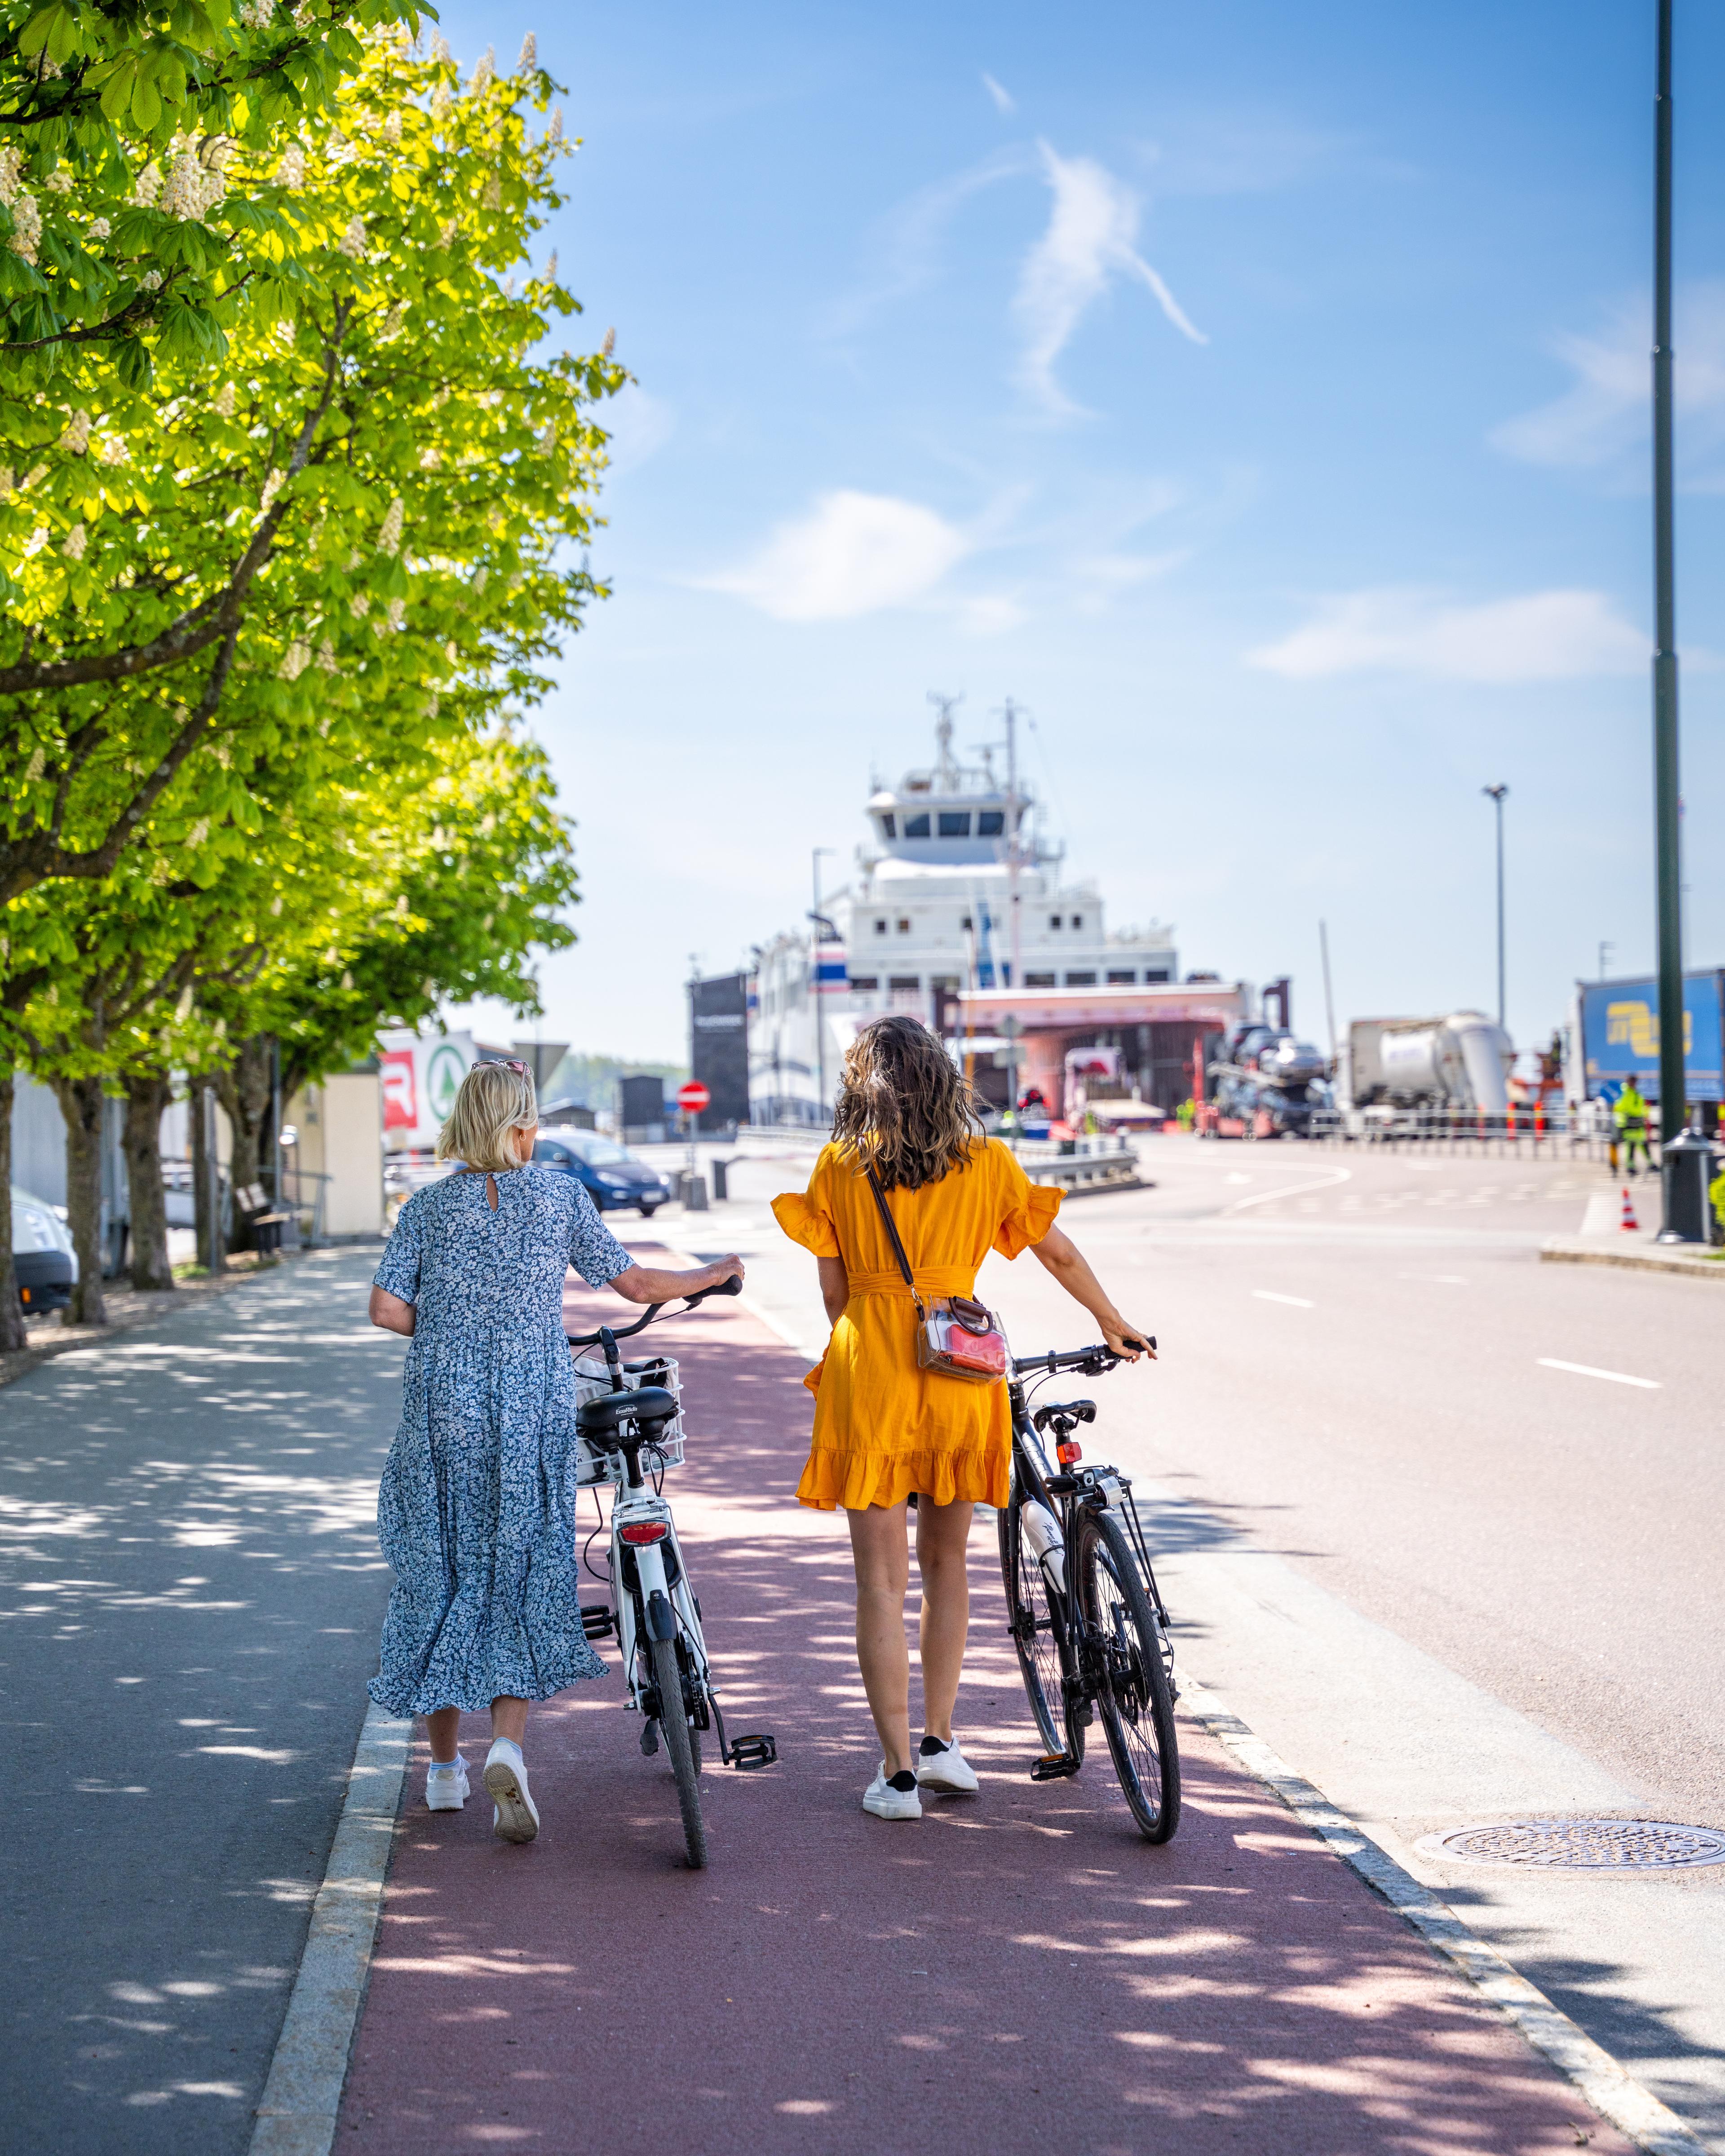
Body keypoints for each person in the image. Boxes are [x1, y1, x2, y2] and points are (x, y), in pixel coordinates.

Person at [772, 1015, 1152, 1823]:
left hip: (869, 1368)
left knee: (878, 1580)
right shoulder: (986, 1162)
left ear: (861, 1085)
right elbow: (1056, 1253)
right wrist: (1110, 1319)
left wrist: (873, 1324)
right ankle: (944, 1742)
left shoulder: (841, 1165)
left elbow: (836, 1298)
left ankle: (898, 1774)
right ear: (943, 1080)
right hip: (960, 1367)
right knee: (949, 1565)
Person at [367, 1057, 742, 1842]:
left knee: (441, 1571)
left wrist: (448, 1332)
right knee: (524, 1569)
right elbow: (634, 1286)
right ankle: (508, 1745)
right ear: (521, 1126)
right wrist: (714, 1272)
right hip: (529, 1413)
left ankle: (443, 1774)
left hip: (443, 1414)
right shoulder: (560, 1196)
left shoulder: (426, 1210)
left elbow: (385, 1309)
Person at [1614, 1078, 1651, 1175]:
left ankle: (1650, 1163)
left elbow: (1641, 1107)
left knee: (1643, 1143)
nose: (1634, 1084)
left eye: (1635, 1082)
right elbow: (1619, 1107)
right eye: (1632, 1082)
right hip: (1629, 1123)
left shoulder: (1636, 1093)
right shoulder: (1626, 1093)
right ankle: (1630, 1166)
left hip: (1638, 1122)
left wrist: (1644, 1117)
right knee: (1631, 1146)